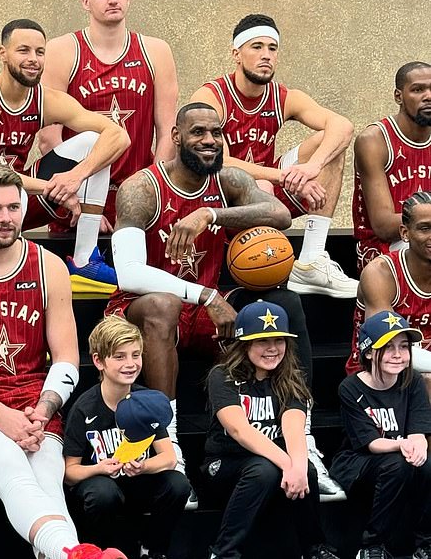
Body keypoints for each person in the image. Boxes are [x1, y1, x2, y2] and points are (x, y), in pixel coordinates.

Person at [107, 102, 344, 498]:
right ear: (176, 137)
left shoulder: (228, 181)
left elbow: (280, 214)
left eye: (216, 133)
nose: (210, 140)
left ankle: (302, 444)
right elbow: (128, 272)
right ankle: (172, 446)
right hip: (143, 307)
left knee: (281, 306)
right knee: (163, 304)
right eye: (198, 132)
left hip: (203, 306)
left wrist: (210, 214)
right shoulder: (141, 188)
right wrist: (205, 294)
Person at [0, 165, 127, 559]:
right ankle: (73, 552)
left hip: (35, 399)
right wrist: (1, 415)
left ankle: (70, 553)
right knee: (9, 462)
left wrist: (44, 409)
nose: (6, 218)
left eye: (14, 207)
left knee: (46, 473)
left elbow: (66, 357)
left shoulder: (48, 266)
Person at [0, 18, 130, 294]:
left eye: (40, 52)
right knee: (6, 191)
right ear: (3, 53)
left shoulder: (43, 98)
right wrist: (55, 188)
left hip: (20, 198)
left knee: (95, 141)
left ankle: (84, 262)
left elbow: (119, 136)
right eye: (23, 50)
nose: (33, 59)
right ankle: (5, 270)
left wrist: (75, 177)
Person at [190, 13, 357, 298]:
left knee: (329, 146)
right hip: (220, 200)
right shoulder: (211, 96)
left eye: (272, 48)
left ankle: (311, 261)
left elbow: (343, 126)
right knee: (263, 186)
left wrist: (311, 170)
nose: (266, 55)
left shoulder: (283, 96)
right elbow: (219, 161)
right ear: (236, 54)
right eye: (256, 47)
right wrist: (282, 176)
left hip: (268, 198)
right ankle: (263, 268)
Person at [38, 0, 178, 231]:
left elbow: (167, 132)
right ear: (86, 1)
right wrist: (81, 202)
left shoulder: (156, 51)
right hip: (76, 194)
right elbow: (49, 138)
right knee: (80, 271)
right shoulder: (62, 50)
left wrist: (152, 193)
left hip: (138, 191)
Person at [203, 301, 339, 559]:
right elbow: (238, 430)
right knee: (264, 469)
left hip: (269, 464)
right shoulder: (222, 376)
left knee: (307, 470)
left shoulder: (290, 377)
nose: (273, 349)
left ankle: (314, 548)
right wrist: (288, 465)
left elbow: (294, 427)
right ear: (244, 343)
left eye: (279, 340)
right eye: (263, 341)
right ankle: (223, 552)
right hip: (225, 463)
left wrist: (297, 466)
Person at [63, 315, 190, 559]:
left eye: (135, 354)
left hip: (136, 482)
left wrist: (143, 467)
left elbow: (168, 458)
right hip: (101, 487)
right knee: (102, 494)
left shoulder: (145, 401)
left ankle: (153, 550)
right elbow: (70, 472)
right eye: (120, 356)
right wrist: (99, 468)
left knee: (178, 485)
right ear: (99, 361)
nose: (130, 364)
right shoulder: (85, 408)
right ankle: (97, 552)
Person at [331, 311, 431, 559]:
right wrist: (404, 445)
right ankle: (372, 545)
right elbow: (372, 443)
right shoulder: (351, 387)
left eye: (404, 347)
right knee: (397, 465)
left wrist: (417, 445)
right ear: (367, 352)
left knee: (427, 465)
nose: (398, 355)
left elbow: (419, 431)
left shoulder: (413, 381)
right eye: (387, 348)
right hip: (358, 460)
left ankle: (426, 543)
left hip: (400, 454)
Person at [353, 61, 431, 273]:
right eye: (418, 90)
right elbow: (383, 225)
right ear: (399, 96)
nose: (428, 96)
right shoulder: (374, 140)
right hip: (383, 248)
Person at [346, 191, 431, 376]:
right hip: (377, 371)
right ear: (405, 233)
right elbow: (386, 343)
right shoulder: (381, 272)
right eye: (425, 228)